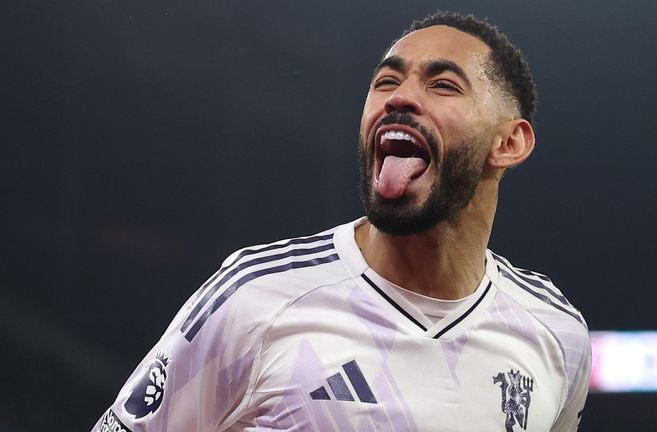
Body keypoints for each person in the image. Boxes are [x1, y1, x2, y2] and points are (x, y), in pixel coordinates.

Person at [93, 11, 590, 432]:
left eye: (442, 85)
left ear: (509, 143)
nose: (398, 97)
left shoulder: (556, 333)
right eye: (386, 81)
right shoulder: (257, 297)